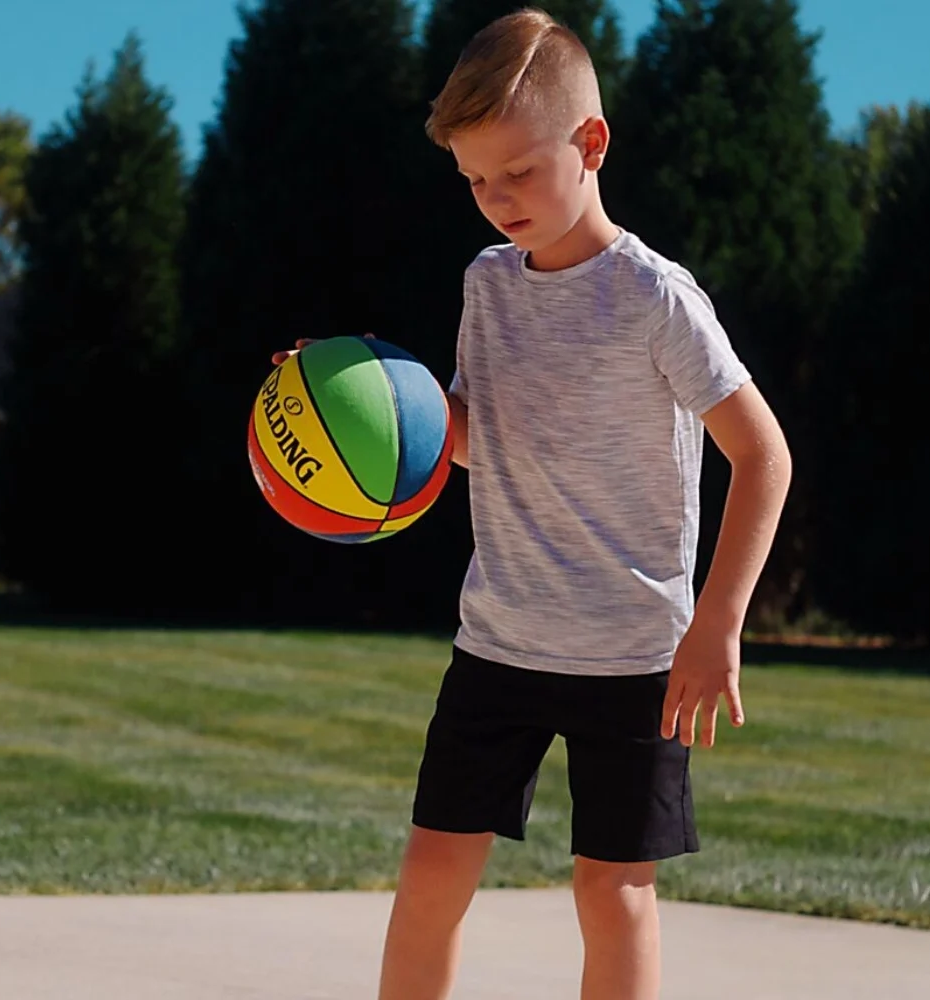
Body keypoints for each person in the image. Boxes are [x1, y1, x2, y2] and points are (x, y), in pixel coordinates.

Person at [275, 9, 791, 998]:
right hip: (500, 639)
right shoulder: (486, 286)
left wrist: (716, 621)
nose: (493, 197)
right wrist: (343, 399)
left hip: (635, 654)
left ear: (589, 142)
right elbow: (470, 439)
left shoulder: (653, 298)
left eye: (514, 170)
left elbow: (762, 456)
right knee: (430, 873)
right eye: (473, 179)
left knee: (611, 892)